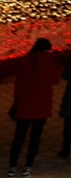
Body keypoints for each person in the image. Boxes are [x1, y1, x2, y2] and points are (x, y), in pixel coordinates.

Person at [7, 39, 61, 178]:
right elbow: (55, 79)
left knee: (19, 137)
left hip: (24, 105)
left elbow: (18, 84)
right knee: (35, 138)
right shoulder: (49, 61)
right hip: (41, 106)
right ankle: (27, 168)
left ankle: (12, 167)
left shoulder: (24, 61)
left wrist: (16, 102)